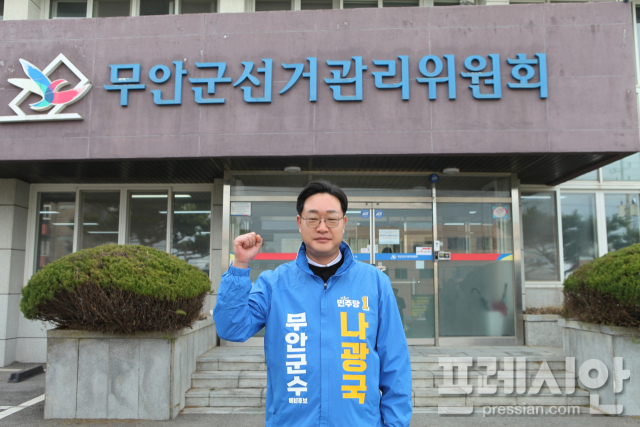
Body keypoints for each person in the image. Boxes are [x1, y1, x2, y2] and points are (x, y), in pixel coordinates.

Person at [213, 180, 412, 427]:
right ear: (299, 223)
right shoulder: (274, 284)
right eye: (313, 219)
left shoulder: (375, 283)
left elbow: (395, 363)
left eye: (331, 219)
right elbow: (230, 328)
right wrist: (239, 265)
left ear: (344, 223)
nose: (322, 227)